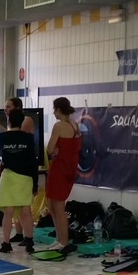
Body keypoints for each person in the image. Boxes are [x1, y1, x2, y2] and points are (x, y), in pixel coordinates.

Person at [0, 96, 36, 242]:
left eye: (8, 107)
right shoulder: (12, 128)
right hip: (15, 172)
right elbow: (8, 151)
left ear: (17, 108)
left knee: (21, 209)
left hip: (21, 172)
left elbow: (14, 140)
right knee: (15, 208)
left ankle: (23, 238)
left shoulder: (26, 121)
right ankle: (20, 235)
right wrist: (0, 167)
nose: (5, 109)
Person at [43, 97, 80, 253]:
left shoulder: (59, 126)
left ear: (59, 109)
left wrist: (55, 150)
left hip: (60, 168)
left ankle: (64, 242)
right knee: (51, 205)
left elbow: (50, 149)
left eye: (54, 110)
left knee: (59, 207)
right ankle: (59, 239)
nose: (53, 113)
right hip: (69, 168)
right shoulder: (75, 125)